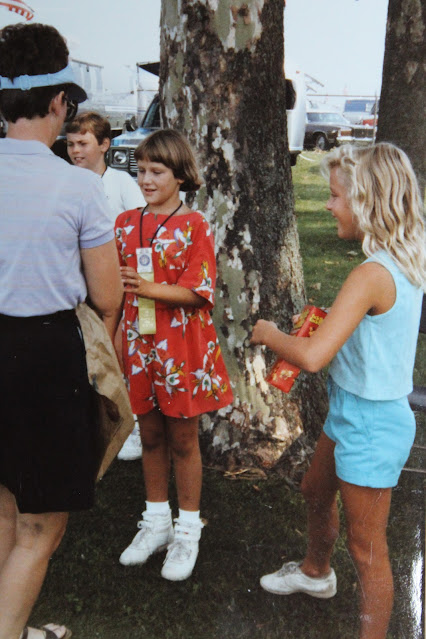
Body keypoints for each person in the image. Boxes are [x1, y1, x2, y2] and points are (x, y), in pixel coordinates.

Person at [251, 142, 425, 639]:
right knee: (315, 489)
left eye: (335, 196)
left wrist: (269, 333)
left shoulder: (371, 274)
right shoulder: (395, 260)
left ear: (366, 200)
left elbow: (311, 357)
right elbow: (369, 328)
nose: (328, 206)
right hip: (352, 409)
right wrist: (327, 321)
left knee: (367, 550)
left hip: (372, 423)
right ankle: (315, 573)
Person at [0, 23, 123, 639]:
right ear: (57, 102)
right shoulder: (78, 187)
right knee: (39, 527)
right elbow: (107, 296)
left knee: (3, 505)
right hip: (46, 357)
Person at [115, 129, 233, 581]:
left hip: (181, 347)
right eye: (141, 170)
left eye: (157, 172)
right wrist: (116, 332)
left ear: (180, 175)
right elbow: (115, 287)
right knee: (148, 435)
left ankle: (187, 531)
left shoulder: (195, 225)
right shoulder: (125, 223)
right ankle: (156, 522)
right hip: (139, 345)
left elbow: (199, 291)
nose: (146, 180)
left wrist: (148, 289)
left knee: (183, 439)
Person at [66, 111, 144, 461]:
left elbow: (140, 228)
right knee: (84, 352)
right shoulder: (66, 182)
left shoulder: (120, 183)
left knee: (114, 349)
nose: (75, 151)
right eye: (70, 144)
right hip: (76, 282)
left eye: (83, 143)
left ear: (104, 145)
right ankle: (89, 423)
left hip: (114, 280)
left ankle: (129, 422)